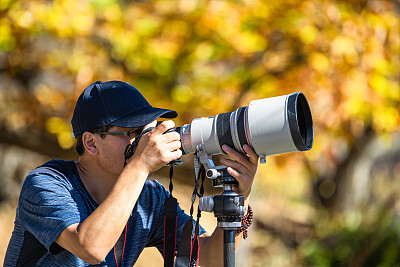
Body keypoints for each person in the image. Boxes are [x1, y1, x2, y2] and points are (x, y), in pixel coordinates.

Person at [4, 80, 258, 266]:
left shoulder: (150, 197)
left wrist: (238, 198)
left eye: (150, 129)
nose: (147, 140)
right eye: (134, 133)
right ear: (91, 143)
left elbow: (209, 260)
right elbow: (90, 248)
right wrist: (140, 165)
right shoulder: (47, 184)